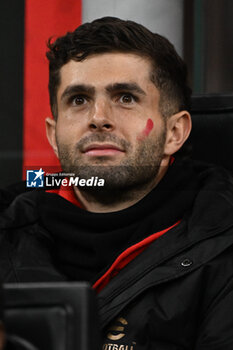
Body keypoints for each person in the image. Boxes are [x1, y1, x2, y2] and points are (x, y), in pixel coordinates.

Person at [0, 17, 233, 350]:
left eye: (125, 98)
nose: (98, 117)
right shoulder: (9, 228)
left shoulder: (223, 249)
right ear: (54, 135)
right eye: (78, 99)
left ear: (174, 133)